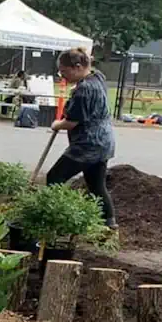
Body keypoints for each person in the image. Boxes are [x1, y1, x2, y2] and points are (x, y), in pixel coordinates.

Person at [45, 47, 116, 229]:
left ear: (77, 67)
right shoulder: (97, 77)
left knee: (54, 178)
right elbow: (90, 66)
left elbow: (71, 122)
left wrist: (56, 124)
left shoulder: (84, 90)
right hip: (104, 142)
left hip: (87, 145)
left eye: (64, 71)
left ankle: (56, 220)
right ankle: (109, 225)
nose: (63, 76)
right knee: (96, 185)